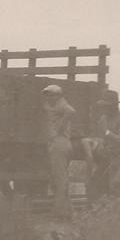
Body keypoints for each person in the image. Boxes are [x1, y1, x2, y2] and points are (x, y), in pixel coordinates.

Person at [88, 89, 120, 200]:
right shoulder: (103, 119)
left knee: (118, 183)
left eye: (107, 106)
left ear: (115, 106)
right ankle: (101, 210)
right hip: (112, 156)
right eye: (103, 106)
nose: (104, 108)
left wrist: (108, 133)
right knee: (97, 182)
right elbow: (103, 139)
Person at [41, 84, 76, 221]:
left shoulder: (61, 104)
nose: (48, 97)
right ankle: (68, 211)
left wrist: (59, 129)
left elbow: (71, 111)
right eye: (47, 94)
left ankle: (59, 213)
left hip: (59, 143)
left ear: (58, 95)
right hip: (58, 143)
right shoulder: (53, 105)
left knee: (60, 178)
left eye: (51, 94)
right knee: (59, 178)